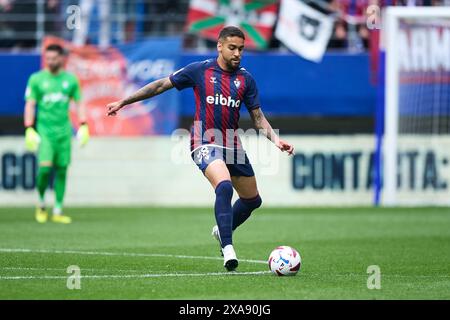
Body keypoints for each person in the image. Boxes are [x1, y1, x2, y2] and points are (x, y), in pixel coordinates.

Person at [106, 26, 294, 271]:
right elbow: (161, 85)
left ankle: (222, 229)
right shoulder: (199, 70)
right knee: (224, 186)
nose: (237, 53)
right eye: (232, 48)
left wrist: (276, 140)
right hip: (203, 140)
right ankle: (228, 249)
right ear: (219, 46)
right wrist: (124, 101)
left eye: (241, 49)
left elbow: (257, 118)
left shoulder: (246, 79)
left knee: (252, 200)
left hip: (231, 143)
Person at [24, 44, 90, 224]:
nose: (50, 61)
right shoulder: (36, 79)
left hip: (64, 132)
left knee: (62, 170)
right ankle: (41, 203)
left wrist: (83, 124)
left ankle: (58, 210)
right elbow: (30, 104)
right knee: (45, 169)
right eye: (48, 58)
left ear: (62, 58)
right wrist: (29, 127)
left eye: (54, 58)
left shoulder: (71, 80)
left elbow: (79, 102)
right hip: (45, 132)